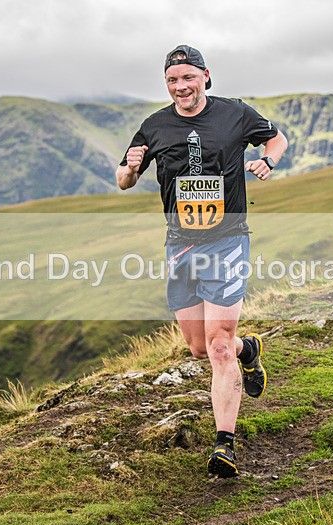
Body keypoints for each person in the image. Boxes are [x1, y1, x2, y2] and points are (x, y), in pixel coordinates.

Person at [117, 45, 288, 477]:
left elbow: (276, 137)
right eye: (173, 80)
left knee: (216, 346)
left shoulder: (234, 113)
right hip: (180, 246)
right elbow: (123, 180)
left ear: (205, 77)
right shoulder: (153, 126)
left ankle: (224, 446)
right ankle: (249, 350)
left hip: (228, 241)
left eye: (189, 78)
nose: (181, 87)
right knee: (197, 347)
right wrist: (132, 168)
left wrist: (268, 160)